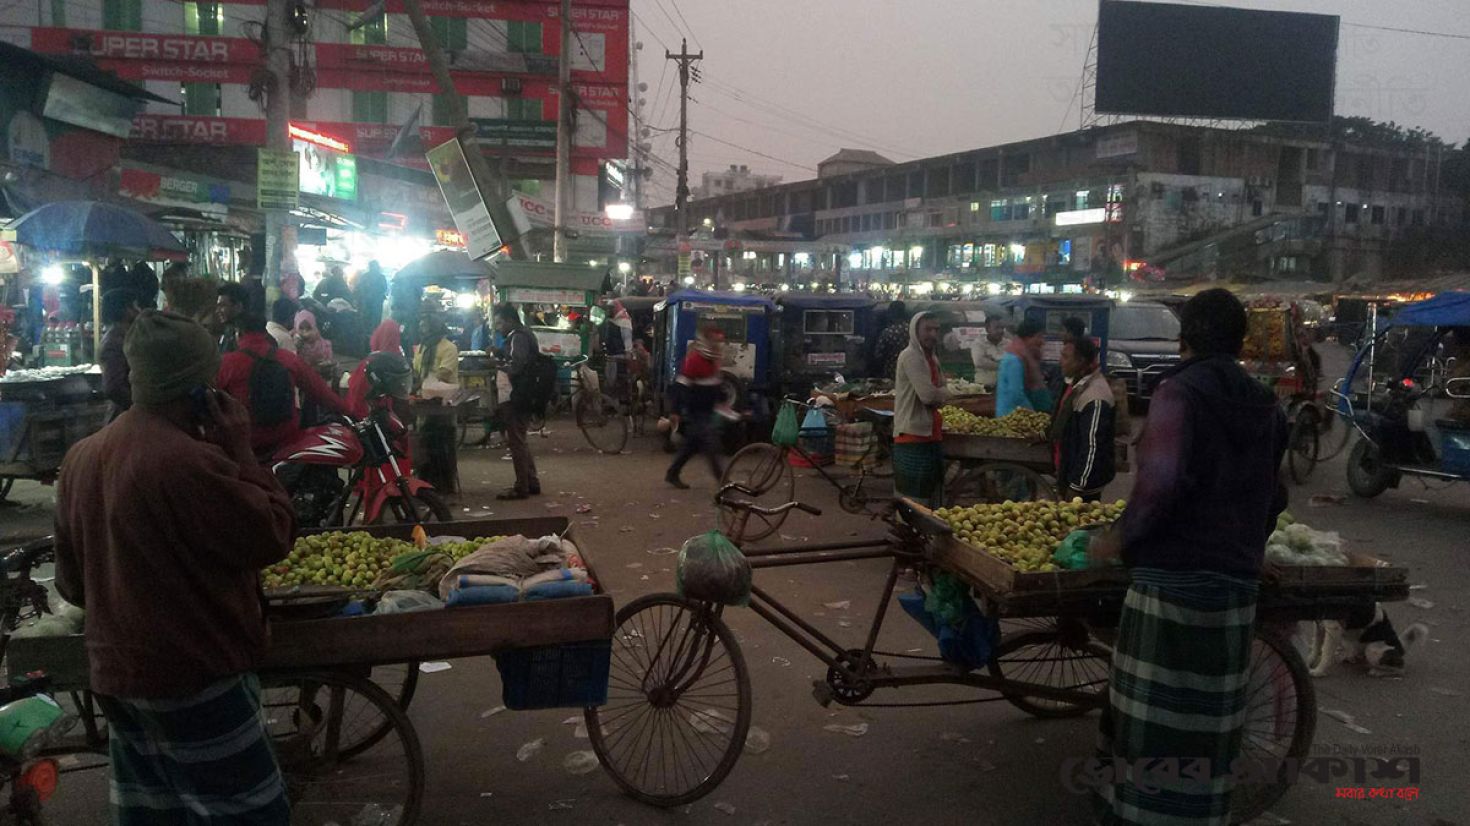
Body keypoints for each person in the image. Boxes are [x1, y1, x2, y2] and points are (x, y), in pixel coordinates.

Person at [53, 310, 293, 826]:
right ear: (201, 389)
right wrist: (241, 449)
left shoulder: (82, 457)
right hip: (194, 675)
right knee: (251, 814)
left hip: (118, 676)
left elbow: (73, 586)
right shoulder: (188, 461)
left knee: (157, 815)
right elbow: (271, 534)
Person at [1089, 288, 1288, 826]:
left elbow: (1160, 486)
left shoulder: (1178, 394)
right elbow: (1274, 495)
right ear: (1239, 340)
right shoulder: (1264, 400)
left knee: (1151, 724)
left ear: (1185, 338)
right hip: (1233, 590)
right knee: (1208, 726)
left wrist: (1117, 538)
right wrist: (1250, 546)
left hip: (1170, 586)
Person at [217, 313, 352, 457]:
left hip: (245, 445)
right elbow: (323, 393)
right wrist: (351, 413)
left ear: (239, 333)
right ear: (265, 332)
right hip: (287, 442)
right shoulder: (288, 359)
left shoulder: (226, 363)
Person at [892, 312, 950, 506]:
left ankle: (924, 532)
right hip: (913, 434)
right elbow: (929, 396)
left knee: (929, 491)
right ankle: (908, 533)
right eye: (927, 329)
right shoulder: (911, 357)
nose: (933, 334)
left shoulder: (932, 358)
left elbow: (940, 390)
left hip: (931, 433)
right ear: (915, 331)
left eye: (936, 329)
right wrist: (944, 394)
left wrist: (940, 393)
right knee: (913, 496)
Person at [1052, 337, 1115, 502]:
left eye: (1065, 357)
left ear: (1080, 361)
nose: (1061, 361)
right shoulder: (1078, 384)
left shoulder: (1095, 396)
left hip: (1084, 487)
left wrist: (1077, 486)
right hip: (1072, 475)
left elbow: (1092, 447)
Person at [665, 327, 728, 490]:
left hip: (706, 411)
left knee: (691, 446)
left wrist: (723, 401)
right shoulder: (695, 361)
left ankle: (672, 473)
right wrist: (675, 410)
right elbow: (680, 387)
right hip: (696, 411)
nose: (717, 345)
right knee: (711, 444)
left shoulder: (713, 361)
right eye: (714, 341)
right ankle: (723, 483)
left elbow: (715, 383)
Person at [492, 304, 541, 499]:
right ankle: (531, 481)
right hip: (525, 393)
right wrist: (500, 353)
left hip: (518, 394)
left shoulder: (518, 336)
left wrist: (495, 363)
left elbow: (516, 365)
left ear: (510, 320)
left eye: (499, 323)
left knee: (516, 440)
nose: (498, 327)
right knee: (520, 437)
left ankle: (522, 487)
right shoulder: (521, 335)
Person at [347, 319, 405, 418]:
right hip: (381, 416)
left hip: (364, 416)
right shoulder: (397, 362)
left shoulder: (369, 363)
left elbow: (355, 390)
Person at [995, 318, 1052, 417]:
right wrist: (1034, 416)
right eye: (1039, 336)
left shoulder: (1026, 357)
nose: (1042, 341)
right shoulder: (1014, 360)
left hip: (1020, 415)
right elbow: (1016, 394)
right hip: (1011, 417)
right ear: (1027, 337)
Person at [98, 289, 141, 420]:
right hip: (124, 417)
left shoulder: (124, 336)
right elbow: (113, 387)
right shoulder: (114, 341)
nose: (138, 310)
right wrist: (139, 406)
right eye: (134, 306)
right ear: (125, 310)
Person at [872, 301, 910, 381]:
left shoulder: (888, 332)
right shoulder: (912, 330)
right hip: (910, 369)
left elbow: (878, 355)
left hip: (892, 371)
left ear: (891, 314)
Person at [969, 316, 1008, 389]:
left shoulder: (1009, 344)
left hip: (1005, 387)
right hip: (984, 387)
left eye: (1002, 328)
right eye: (997, 328)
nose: (1000, 331)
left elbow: (1014, 363)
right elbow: (979, 362)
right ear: (987, 329)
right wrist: (1003, 365)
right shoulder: (979, 343)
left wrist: (990, 361)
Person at [294, 309, 334, 373]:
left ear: (314, 327)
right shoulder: (294, 343)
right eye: (301, 328)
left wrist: (326, 363)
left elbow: (329, 361)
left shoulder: (324, 345)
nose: (305, 332)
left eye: (309, 328)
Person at [355, 260, 389, 336]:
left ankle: (366, 336)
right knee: (376, 320)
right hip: (377, 302)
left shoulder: (364, 277)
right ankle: (375, 335)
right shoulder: (381, 277)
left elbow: (360, 289)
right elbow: (384, 288)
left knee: (366, 321)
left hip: (366, 302)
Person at [215, 282, 250, 353]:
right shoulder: (229, 330)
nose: (217, 311)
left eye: (222, 306)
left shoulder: (247, 335)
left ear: (238, 307)